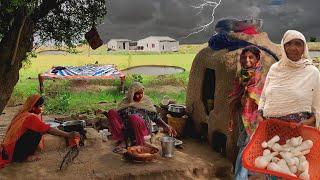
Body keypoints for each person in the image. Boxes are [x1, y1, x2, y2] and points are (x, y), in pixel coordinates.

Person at [258, 30, 319, 127]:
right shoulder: (274, 69)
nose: (292, 48)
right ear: (283, 46)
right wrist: (260, 113)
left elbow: (318, 105)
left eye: (298, 44)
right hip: (272, 129)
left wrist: (309, 122)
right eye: (288, 44)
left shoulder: (312, 72)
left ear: (304, 48)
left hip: (299, 132)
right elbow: (264, 96)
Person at [0, 95, 79, 168]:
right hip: (13, 153)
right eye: (40, 106)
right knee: (36, 134)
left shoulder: (22, 113)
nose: (42, 108)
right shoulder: (30, 117)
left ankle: (22, 155)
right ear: (33, 107)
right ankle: (23, 157)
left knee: (36, 131)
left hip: (8, 149)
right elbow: (47, 129)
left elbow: (42, 126)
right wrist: (68, 134)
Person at [228, 46, 265, 179]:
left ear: (257, 59)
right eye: (244, 57)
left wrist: (248, 93)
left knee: (246, 146)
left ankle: (240, 176)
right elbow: (234, 94)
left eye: (251, 57)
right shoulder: (240, 74)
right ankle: (246, 172)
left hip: (256, 116)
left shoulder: (261, 75)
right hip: (242, 114)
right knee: (245, 143)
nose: (246, 60)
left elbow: (263, 96)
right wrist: (240, 97)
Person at [106, 82, 177, 148]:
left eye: (142, 93)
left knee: (134, 117)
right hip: (127, 130)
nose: (140, 96)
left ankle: (140, 141)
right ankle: (123, 138)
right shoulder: (125, 102)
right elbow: (118, 117)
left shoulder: (146, 101)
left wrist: (166, 126)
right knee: (111, 112)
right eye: (137, 94)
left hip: (143, 129)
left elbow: (155, 117)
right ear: (131, 94)